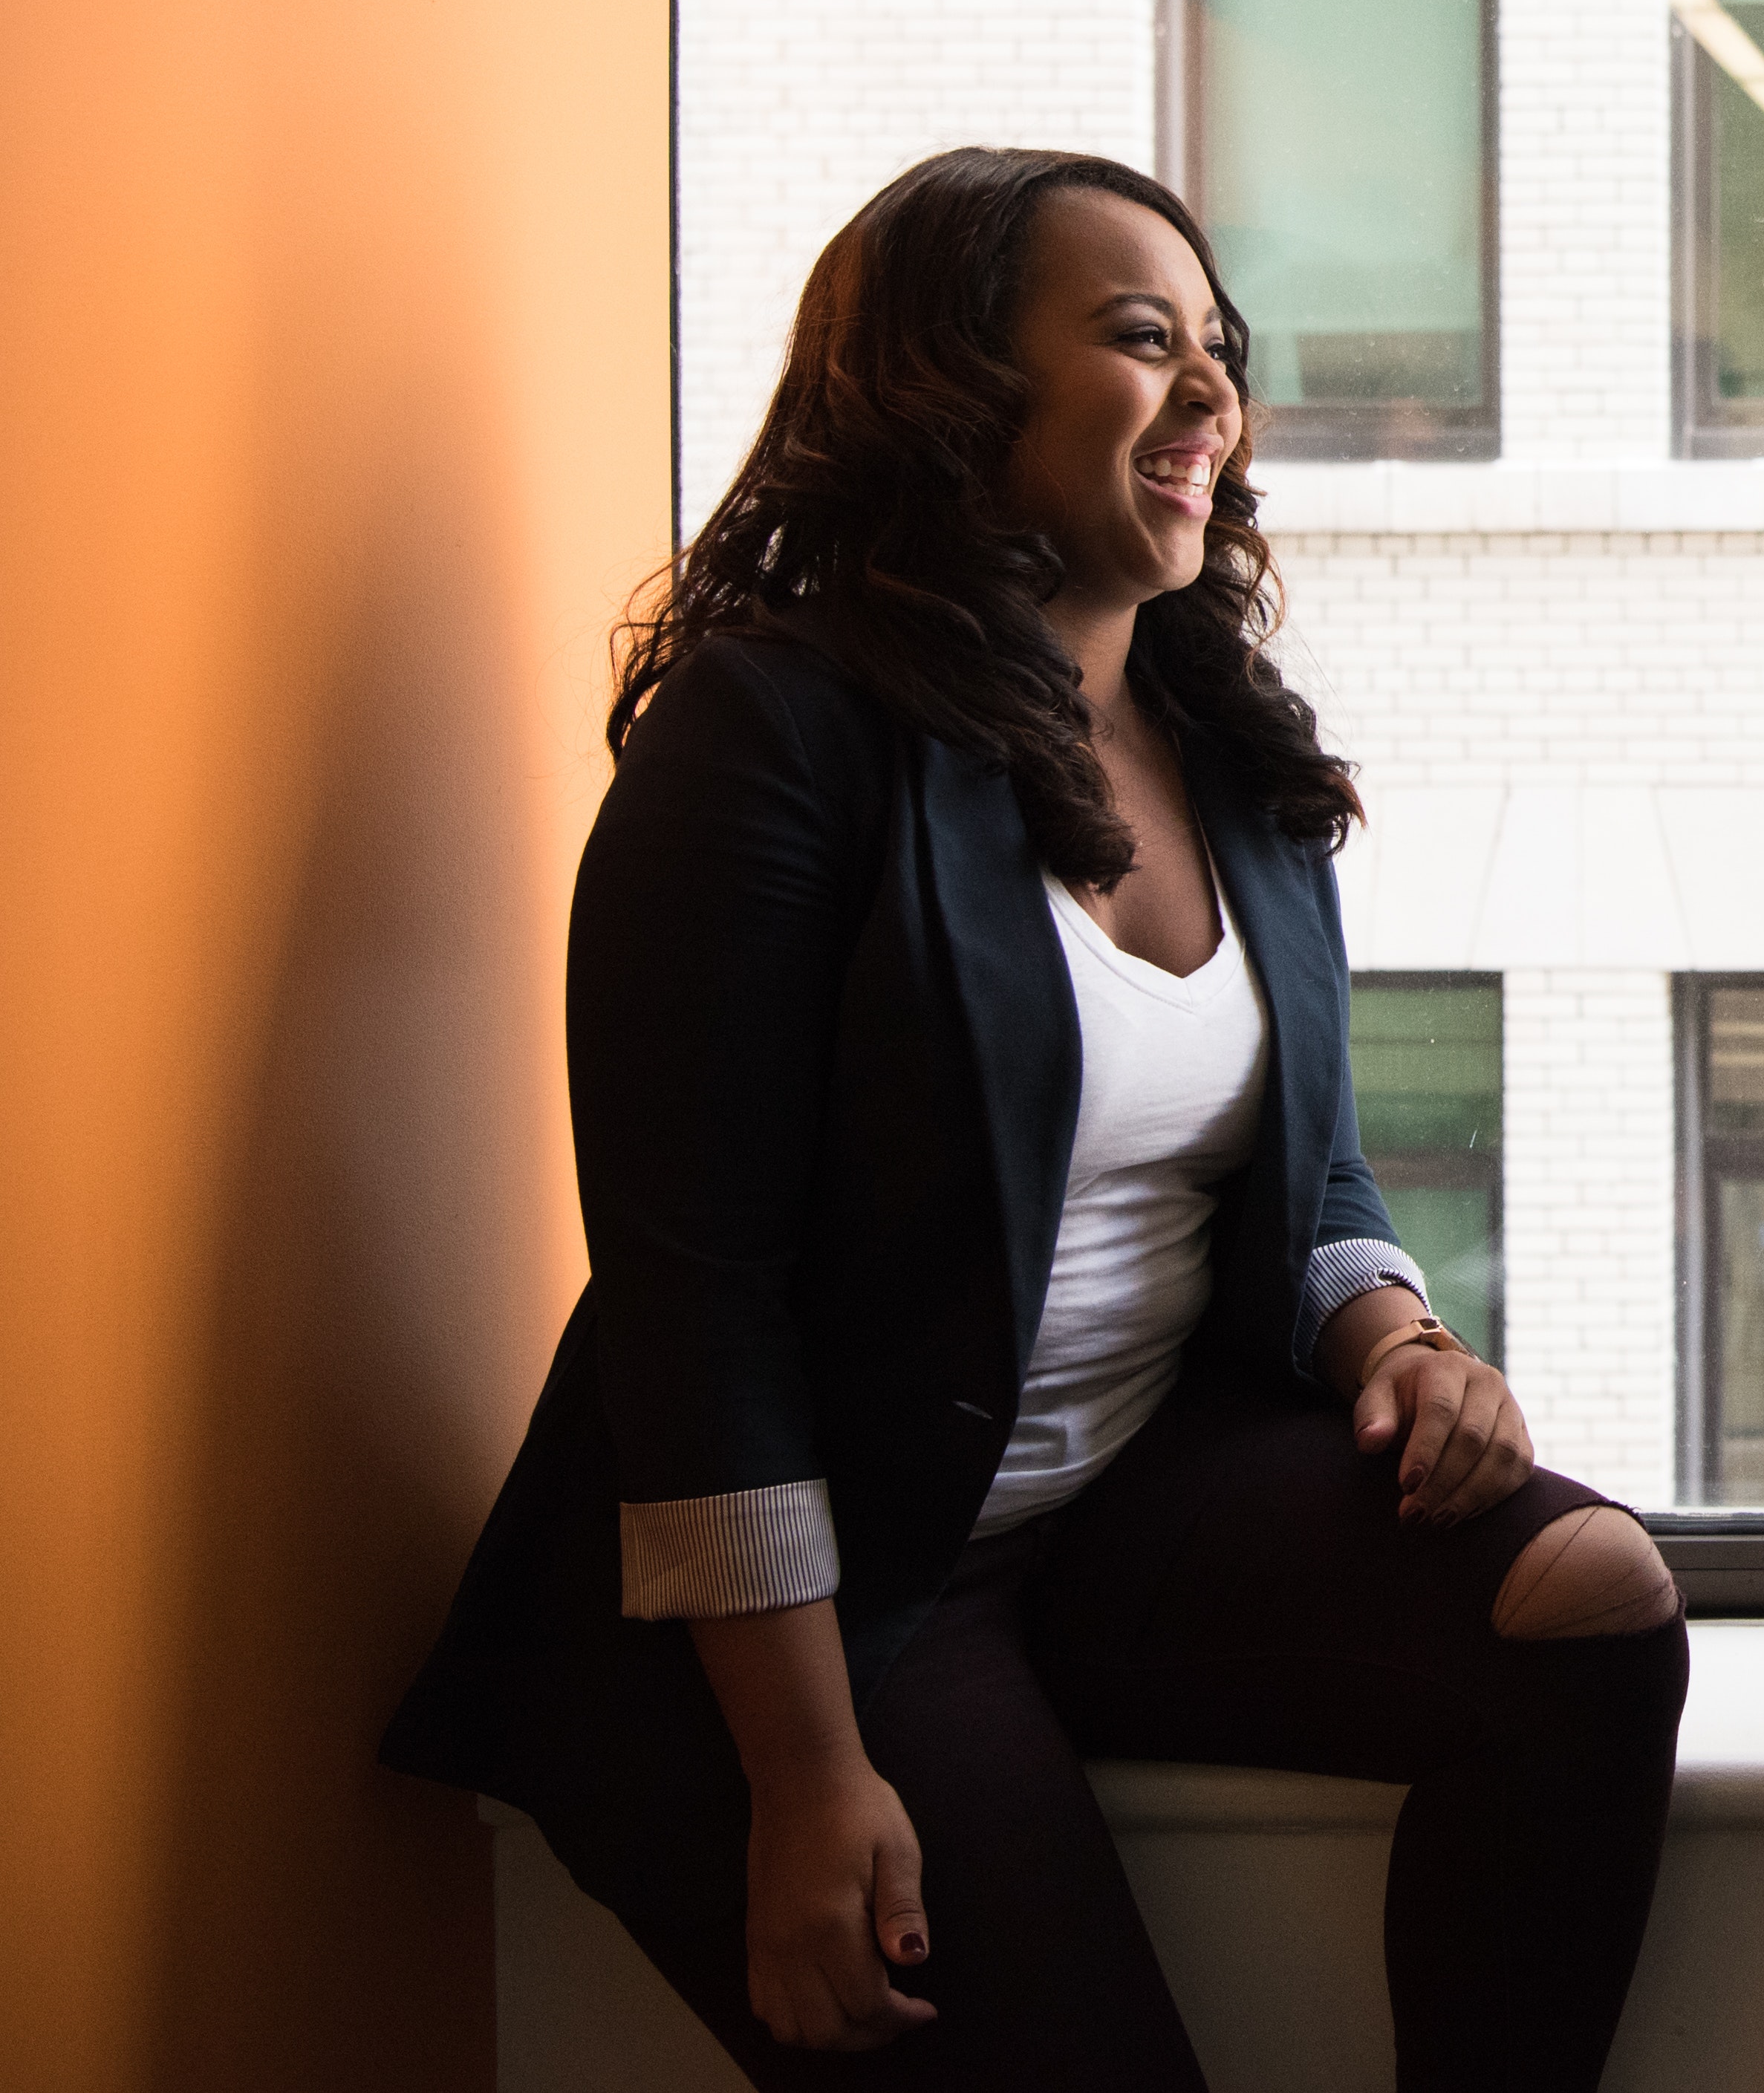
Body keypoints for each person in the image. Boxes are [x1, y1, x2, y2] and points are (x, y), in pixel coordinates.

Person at [384, 148, 1686, 2091]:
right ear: (946, 385)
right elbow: (695, 1291)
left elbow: (1301, 1164)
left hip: (1100, 1501)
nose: (1211, 398)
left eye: (1223, 353)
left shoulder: (1224, 743)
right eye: (1142, 340)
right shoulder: (772, 730)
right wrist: (808, 1776)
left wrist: (1399, 1335)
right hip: (817, 1603)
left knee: (1593, 1602)